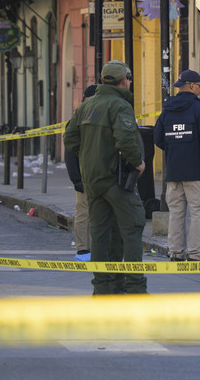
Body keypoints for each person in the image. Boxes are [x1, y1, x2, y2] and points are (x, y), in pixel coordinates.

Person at [64, 60, 147, 295]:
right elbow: (126, 140)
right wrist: (138, 163)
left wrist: (90, 154)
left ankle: (104, 287)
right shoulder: (120, 105)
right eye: (129, 80)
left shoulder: (86, 106)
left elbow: (69, 139)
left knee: (101, 233)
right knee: (133, 225)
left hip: (92, 180)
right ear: (124, 81)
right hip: (115, 179)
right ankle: (134, 286)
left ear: (102, 80)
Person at [154, 70, 200, 262]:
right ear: (192, 86)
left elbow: (158, 138)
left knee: (176, 214)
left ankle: (176, 252)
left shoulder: (168, 109)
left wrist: (175, 149)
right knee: (199, 213)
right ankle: (195, 254)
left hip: (174, 173)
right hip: (197, 173)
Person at [66, 84, 97, 262]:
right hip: (86, 176)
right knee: (84, 213)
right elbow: (70, 153)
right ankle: (84, 249)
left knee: (91, 213)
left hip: (96, 174)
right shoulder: (78, 120)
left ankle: (90, 248)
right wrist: (76, 179)